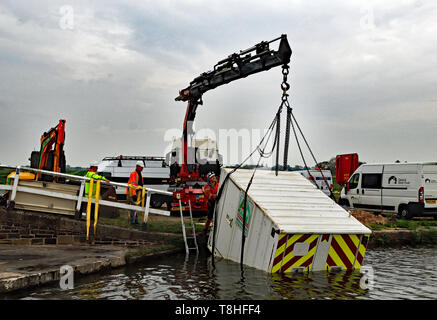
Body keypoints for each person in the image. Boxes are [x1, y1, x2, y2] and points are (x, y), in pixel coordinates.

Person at [126, 161, 144, 225]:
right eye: (141, 167)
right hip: (132, 193)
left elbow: (140, 184)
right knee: (133, 208)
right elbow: (132, 185)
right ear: (137, 166)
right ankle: (133, 221)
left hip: (137, 193)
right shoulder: (134, 174)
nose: (142, 169)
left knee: (135, 207)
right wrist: (133, 195)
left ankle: (135, 221)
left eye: (142, 167)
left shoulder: (139, 174)